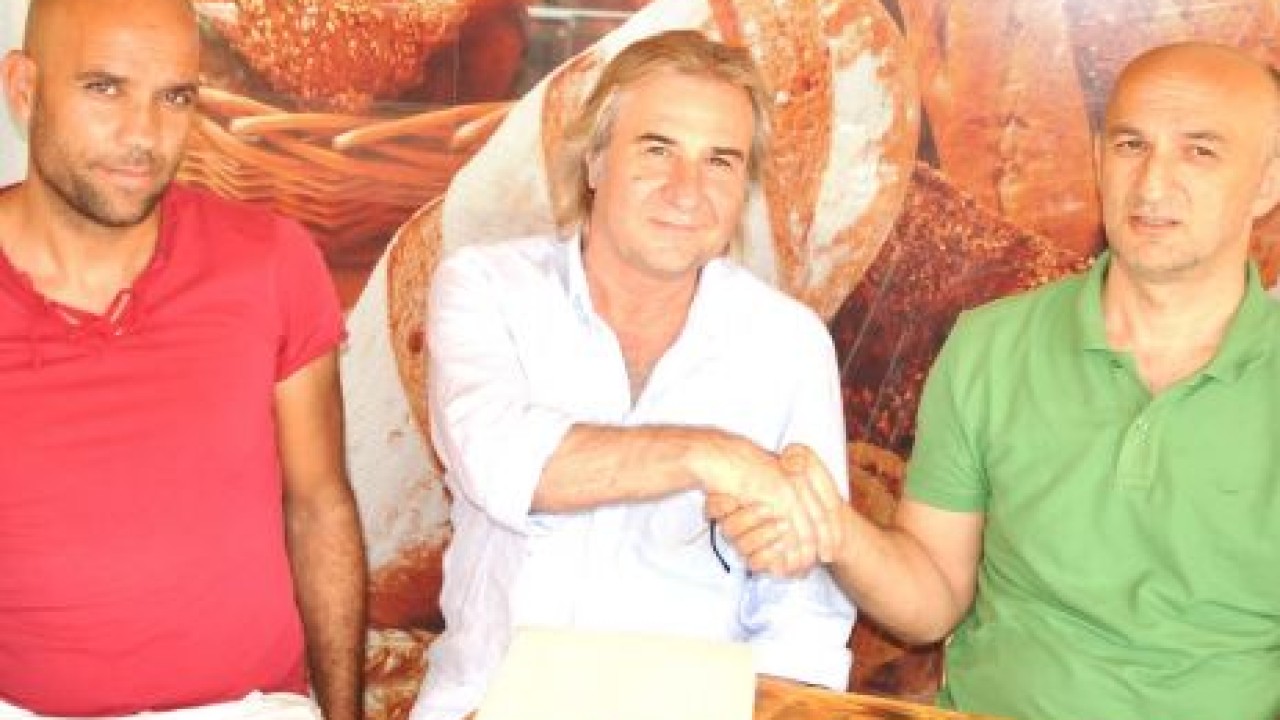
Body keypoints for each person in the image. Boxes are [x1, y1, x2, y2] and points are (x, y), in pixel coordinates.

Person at [714, 41, 1280, 720]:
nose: (1153, 184)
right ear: (1098, 158)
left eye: (1200, 152)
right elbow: (932, 596)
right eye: (1131, 145)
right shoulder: (991, 343)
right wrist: (836, 532)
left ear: (1268, 182)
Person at [409, 30, 854, 720]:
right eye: (657, 150)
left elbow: (803, 617)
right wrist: (712, 456)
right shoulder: (487, 288)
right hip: (490, 705)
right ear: (594, 161)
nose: (687, 191)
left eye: (720, 161)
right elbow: (504, 461)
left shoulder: (788, 342)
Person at [0, 0, 366, 718]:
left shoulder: (269, 261)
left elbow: (319, 507)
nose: (143, 135)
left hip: (247, 708)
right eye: (104, 88)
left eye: (174, 98)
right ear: (25, 89)